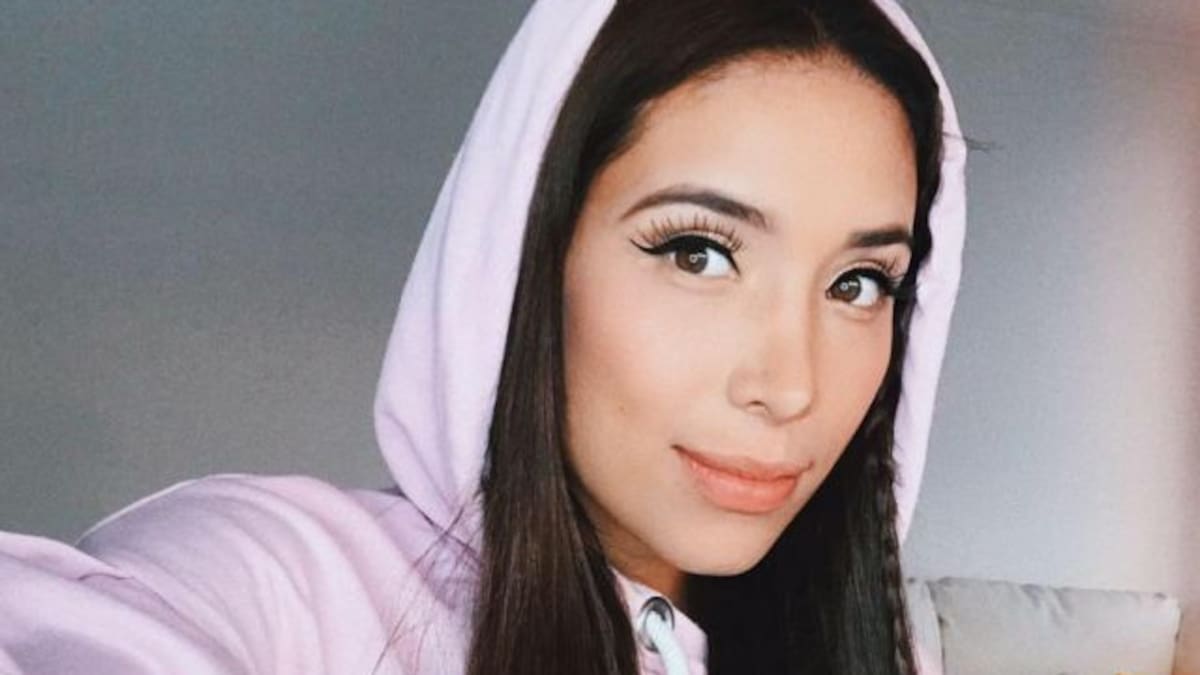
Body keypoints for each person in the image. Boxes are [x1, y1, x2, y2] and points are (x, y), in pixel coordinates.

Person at [0, 0, 966, 673]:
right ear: (527, 253)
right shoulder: (284, 580)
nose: (791, 385)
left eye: (859, 283)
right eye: (698, 254)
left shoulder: (880, 653)